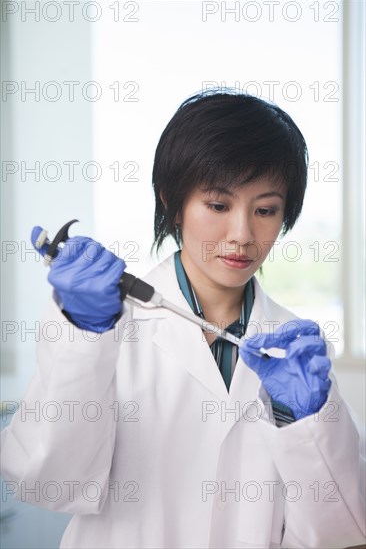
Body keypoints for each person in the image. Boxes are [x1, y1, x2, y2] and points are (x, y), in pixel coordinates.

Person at [1, 91, 365, 549]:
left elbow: (341, 531)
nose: (242, 235)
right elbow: (48, 482)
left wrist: (307, 423)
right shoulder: (104, 326)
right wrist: (84, 336)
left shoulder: (298, 353)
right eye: (218, 205)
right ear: (172, 201)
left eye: (265, 210)